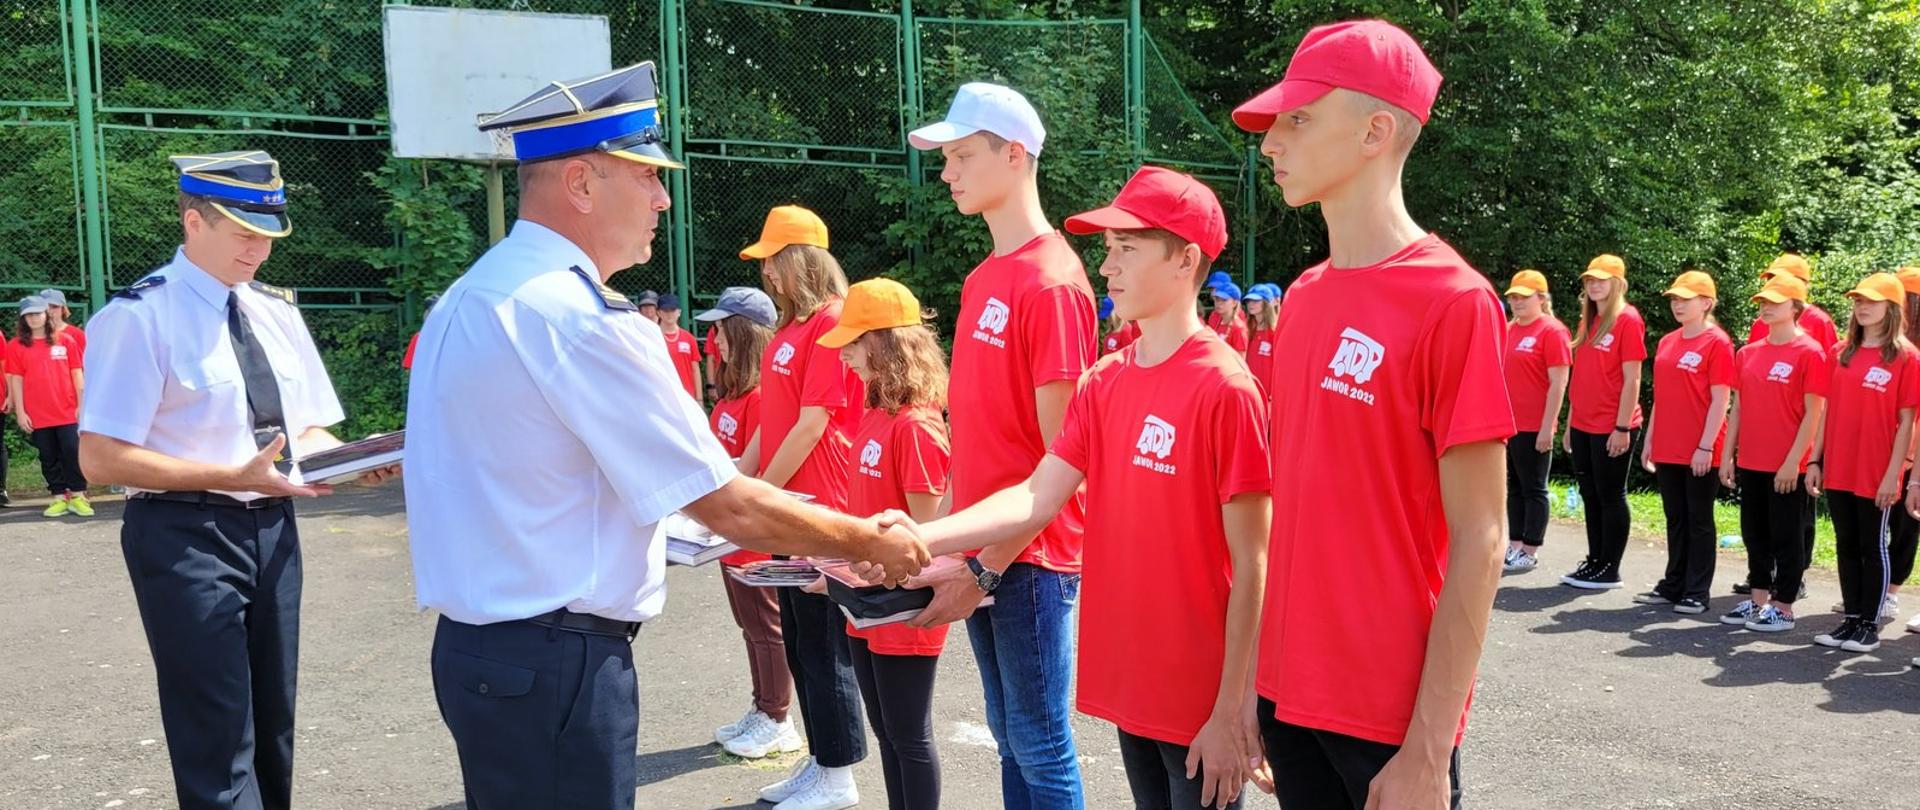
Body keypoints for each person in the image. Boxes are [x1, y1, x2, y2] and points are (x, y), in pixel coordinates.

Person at [406, 64, 927, 810]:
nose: (663, 197)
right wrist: (870, 541)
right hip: (557, 662)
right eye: (645, 176)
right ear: (582, 185)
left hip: (487, 653)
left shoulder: (474, 294)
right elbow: (728, 505)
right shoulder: (581, 319)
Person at [879, 165, 1269, 810]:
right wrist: (917, 534)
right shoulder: (1105, 381)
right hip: (1132, 678)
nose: (1108, 267)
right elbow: (1037, 494)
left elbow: (1256, 563)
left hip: (1199, 693)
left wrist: (1235, 707)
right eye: (1108, 250)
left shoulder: (1226, 389)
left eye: (1127, 249)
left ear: (1186, 261)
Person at [1232, 19, 1511, 808]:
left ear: (1375, 131)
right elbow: (1295, 511)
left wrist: (1429, 747)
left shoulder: (1453, 302)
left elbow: (1481, 539)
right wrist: (1258, 685)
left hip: (1387, 714)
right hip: (1292, 696)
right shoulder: (1307, 297)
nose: (1270, 144)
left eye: (1297, 119)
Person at [76, 150, 398, 810]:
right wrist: (228, 474)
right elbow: (100, 457)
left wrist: (356, 461)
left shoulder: (275, 313)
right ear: (194, 222)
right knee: (216, 733)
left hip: (272, 531)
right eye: (245, 232)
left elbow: (303, 431)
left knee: (274, 725)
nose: (260, 249)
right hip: (184, 533)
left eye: (269, 235)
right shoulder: (139, 318)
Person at [907, 80, 1097, 809]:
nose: (947, 172)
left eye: (960, 155)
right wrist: (945, 548)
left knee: (1040, 744)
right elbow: (980, 440)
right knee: (1010, 735)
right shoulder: (988, 275)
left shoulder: (1052, 283)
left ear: (1014, 156)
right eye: (946, 157)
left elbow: (1065, 460)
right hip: (992, 553)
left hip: (1030, 561)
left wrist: (985, 568)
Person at [735, 203, 873, 810]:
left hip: (821, 507)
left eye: (771, 261)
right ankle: (820, 761)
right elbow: (775, 418)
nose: (767, 274)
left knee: (823, 645)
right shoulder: (789, 331)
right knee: (798, 640)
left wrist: (762, 491)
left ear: (798, 261)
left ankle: (839, 776)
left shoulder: (834, 323)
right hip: (789, 504)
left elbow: (815, 422)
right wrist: (741, 477)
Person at [816, 277, 954, 810]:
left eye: (854, 343)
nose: (846, 356)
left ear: (886, 343)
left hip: (902, 602)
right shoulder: (875, 414)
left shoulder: (917, 427)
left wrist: (875, 572)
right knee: (887, 731)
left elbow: (927, 538)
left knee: (908, 735)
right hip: (866, 598)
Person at [696, 286, 802, 760]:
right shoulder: (730, 399)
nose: (712, 340)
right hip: (726, 536)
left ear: (741, 334)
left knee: (767, 627)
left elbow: (759, 469)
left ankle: (779, 718)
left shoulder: (762, 398)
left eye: (719, 329)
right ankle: (763, 708)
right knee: (750, 625)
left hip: (752, 536)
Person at [1806, 273, 1918, 653]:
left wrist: (1894, 474)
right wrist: (1814, 460)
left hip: (1876, 470)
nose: (1861, 306)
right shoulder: (1840, 352)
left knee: (1874, 545)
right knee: (1845, 543)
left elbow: (1907, 422)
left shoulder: (1906, 357)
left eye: (1870, 301)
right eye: (1857, 300)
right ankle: (1851, 618)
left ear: (1892, 308)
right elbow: (1824, 412)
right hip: (1839, 465)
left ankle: (1869, 624)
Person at [1717, 272, 1826, 633]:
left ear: (1795, 307)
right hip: (1752, 460)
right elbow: (1739, 407)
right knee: (1754, 533)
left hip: (1786, 465)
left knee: (1787, 536)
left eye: (1775, 301)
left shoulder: (1810, 351)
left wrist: (1794, 462)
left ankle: (1784, 606)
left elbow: (1815, 412)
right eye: (1763, 301)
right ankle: (1758, 598)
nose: (1765, 307)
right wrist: (1728, 455)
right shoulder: (1748, 352)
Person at [1633, 271, 1734, 614]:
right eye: (1674, 299)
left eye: (1685, 299)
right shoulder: (1667, 341)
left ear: (1706, 303)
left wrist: (1706, 446)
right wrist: (1650, 439)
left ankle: (1696, 590)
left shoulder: (1717, 342)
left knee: (1699, 519)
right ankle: (1673, 583)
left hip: (1700, 447)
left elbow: (1721, 399)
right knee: (1675, 517)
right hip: (1668, 444)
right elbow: (1661, 396)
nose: (1677, 304)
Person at [1560, 253, 1647, 590]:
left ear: (1617, 283)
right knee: (1590, 493)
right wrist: (1570, 422)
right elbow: (1582, 376)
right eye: (1590, 280)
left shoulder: (1628, 319)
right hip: (1583, 422)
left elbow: (1633, 379)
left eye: (1601, 279)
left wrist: (1622, 426)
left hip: (1612, 424)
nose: (1594, 285)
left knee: (1610, 495)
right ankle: (1594, 560)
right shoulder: (1589, 321)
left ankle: (1610, 568)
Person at [1501, 269, 1571, 573]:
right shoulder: (1508, 329)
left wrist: (1548, 426)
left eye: (1524, 297)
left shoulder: (1552, 331)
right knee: (1513, 487)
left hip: (1534, 424)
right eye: (1513, 297)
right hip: (1508, 423)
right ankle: (1514, 544)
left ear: (1541, 299)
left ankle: (1530, 548)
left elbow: (1558, 383)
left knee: (1534, 487)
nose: (1517, 302)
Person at [8, 294, 89, 517]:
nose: (33, 318)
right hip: (37, 412)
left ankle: (78, 496)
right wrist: (21, 412)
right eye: (28, 315)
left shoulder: (67, 340)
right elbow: (16, 379)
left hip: (67, 410)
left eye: (37, 313)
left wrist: (82, 404)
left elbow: (76, 373)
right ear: (23, 319)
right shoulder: (15, 346)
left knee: (72, 451)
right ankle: (58, 496)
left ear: (47, 315)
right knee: (48, 454)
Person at [1887, 265, 1920, 633]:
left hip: (1914, 454)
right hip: (1891, 448)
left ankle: (1892, 592)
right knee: (1889, 522)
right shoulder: (1890, 345)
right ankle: (1881, 590)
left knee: (1908, 525)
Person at [1744, 253, 1839, 350]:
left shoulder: (1820, 321)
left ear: (1804, 284)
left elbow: (1832, 361)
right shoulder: (1761, 323)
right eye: (1771, 278)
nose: (1775, 283)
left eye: (1783, 279)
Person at [657, 292, 703, 400]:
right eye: (665, 310)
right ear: (658, 313)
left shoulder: (689, 338)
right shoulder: (652, 337)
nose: (669, 314)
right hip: (662, 395)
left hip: (687, 396)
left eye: (673, 310)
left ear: (679, 312)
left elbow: (695, 370)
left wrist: (699, 399)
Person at [1242, 285, 1279, 396]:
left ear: (1266, 303)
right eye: (1248, 301)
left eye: (1255, 301)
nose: (1250, 304)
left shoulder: (1275, 332)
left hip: (1268, 393)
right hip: (1250, 389)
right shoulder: (1247, 330)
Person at [37, 288, 86, 355]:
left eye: (54, 307)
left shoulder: (77, 334)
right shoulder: (33, 334)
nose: (49, 311)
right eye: (45, 306)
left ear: (63, 309)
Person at [1206, 282, 1249, 352]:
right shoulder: (1216, 321)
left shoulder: (1238, 328)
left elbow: (1240, 360)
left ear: (1234, 303)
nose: (1219, 303)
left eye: (1224, 300)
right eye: (1217, 299)